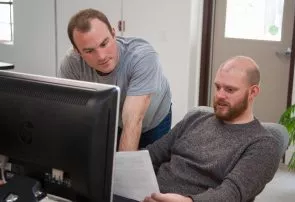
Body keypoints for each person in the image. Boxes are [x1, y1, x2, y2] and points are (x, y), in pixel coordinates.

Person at [143, 56, 282, 202]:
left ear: (253, 92)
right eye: (217, 87)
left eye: (230, 89)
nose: (220, 95)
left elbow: (231, 194)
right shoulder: (195, 119)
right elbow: (151, 156)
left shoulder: (263, 145)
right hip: (148, 195)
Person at [59, 9, 172, 151]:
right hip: (114, 121)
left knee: (150, 168)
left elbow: (132, 122)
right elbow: (70, 114)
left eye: (104, 43)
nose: (101, 56)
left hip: (154, 120)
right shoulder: (71, 63)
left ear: (113, 33)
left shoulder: (142, 57)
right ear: (77, 51)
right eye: (89, 51)